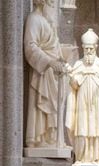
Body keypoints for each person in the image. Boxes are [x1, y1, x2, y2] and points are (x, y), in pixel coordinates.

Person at [66, 28, 99, 166]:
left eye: (91, 49)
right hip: (82, 104)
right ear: (83, 48)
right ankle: (82, 158)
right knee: (82, 129)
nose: (88, 52)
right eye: (86, 49)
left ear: (96, 47)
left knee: (98, 129)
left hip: (98, 104)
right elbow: (74, 87)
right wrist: (71, 78)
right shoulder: (78, 65)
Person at [24, 0, 68, 148]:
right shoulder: (33, 19)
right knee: (42, 106)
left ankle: (52, 138)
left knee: (54, 107)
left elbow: (53, 46)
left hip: (53, 74)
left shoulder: (46, 20)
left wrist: (61, 59)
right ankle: (40, 138)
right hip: (43, 73)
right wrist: (49, 61)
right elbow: (30, 47)